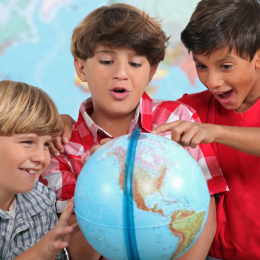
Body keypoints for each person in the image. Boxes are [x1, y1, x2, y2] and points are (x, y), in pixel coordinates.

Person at [39, 3, 228, 260]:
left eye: (136, 64)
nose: (121, 74)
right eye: (106, 61)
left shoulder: (178, 121)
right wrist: (104, 176)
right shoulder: (61, 146)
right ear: (81, 68)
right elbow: (78, 252)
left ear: (151, 72)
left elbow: (202, 212)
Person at [153, 0, 260, 259]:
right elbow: (136, 118)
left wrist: (214, 131)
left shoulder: (202, 125)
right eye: (201, 66)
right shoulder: (189, 111)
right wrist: (66, 121)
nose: (212, 82)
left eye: (225, 66)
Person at [0, 80, 79, 260]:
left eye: (46, 144)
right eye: (28, 142)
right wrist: (40, 253)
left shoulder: (42, 203)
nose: (42, 158)